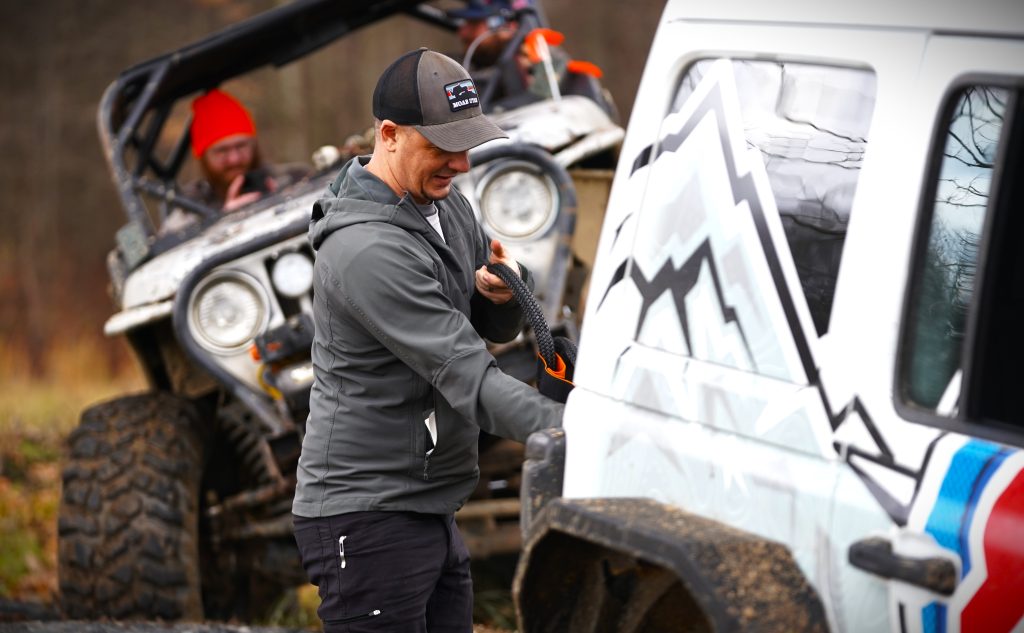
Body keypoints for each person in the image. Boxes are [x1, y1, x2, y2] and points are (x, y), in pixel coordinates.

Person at [292, 48, 564, 632]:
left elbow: (483, 328)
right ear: (389, 135)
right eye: (444, 146)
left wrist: (500, 298)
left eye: (467, 144)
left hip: (428, 501)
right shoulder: (365, 249)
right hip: (366, 513)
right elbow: (466, 374)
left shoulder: (446, 206)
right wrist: (578, 431)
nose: (461, 163)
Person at [162, 88, 309, 232]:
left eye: (241, 146)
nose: (234, 159)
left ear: (254, 144)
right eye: (222, 151)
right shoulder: (187, 209)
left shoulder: (298, 177)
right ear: (203, 156)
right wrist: (224, 220)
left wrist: (284, 199)